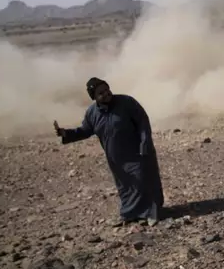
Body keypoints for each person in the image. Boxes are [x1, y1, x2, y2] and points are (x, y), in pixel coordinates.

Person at [53, 77, 164, 227]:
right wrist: (65, 133)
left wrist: (145, 141)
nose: (106, 94)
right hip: (116, 158)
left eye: (107, 90)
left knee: (144, 180)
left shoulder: (126, 102)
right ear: (94, 97)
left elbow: (143, 122)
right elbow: (85, 130)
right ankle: (131, 214)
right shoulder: (92, 113)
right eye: (101, 93)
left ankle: (151, 214)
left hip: (138, 152)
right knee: (126, 185)